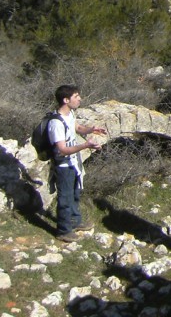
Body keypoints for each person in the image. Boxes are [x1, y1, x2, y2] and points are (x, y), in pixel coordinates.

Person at [48, 85, 106, 242]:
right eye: (76, 96)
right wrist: (86, 145)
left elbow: (77, 127)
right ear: (66, 100)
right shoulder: (56, 123)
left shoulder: (70, 114)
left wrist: (91, 130)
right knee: (65, 198)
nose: (80, 99)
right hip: (63, 165)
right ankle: (63, 230)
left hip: (74, 162)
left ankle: (75, 221)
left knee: (74, 193)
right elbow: (61, 150)